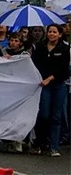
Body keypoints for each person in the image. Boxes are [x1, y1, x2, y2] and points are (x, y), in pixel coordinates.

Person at [31, 24, 70, 157]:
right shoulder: (40, 47)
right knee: (44, 114)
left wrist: (50, 78)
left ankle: (54, 146)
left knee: (56, 116)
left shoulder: (64, 48)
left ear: (60, 34)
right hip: (44, 85)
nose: (51, 34)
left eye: (54, 32)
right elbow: (33, 64)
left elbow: (64, 70)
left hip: (58, 85)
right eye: (50, 32)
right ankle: (40, 141)